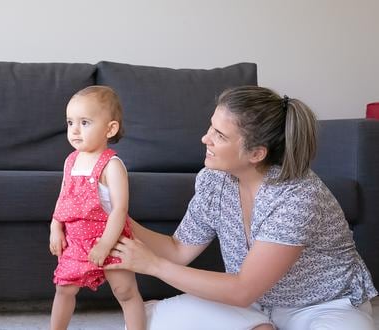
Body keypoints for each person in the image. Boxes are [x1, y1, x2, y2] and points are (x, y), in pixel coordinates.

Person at [105, 86, 378, 329]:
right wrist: (115, 219)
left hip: (321, 307)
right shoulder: (215, 181)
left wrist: (154, 266)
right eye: (211, 127)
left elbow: (242, 289)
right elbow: (178, 250)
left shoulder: (296, 197)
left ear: (256, 153)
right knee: (146, 321)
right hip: (254, 306)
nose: (205, 138)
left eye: (220, 135)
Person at [49, 86, 146, 330]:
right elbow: (63, 197)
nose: (75, 130)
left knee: (125, 291)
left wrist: (105, 244)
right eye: (70, 122)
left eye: (85, 122)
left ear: (109, 129)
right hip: (76, 241)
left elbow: (119, 211)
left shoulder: (112, 165)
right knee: (64, 288)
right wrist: (55, 226)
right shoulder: (70, 160)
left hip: (110, 240)